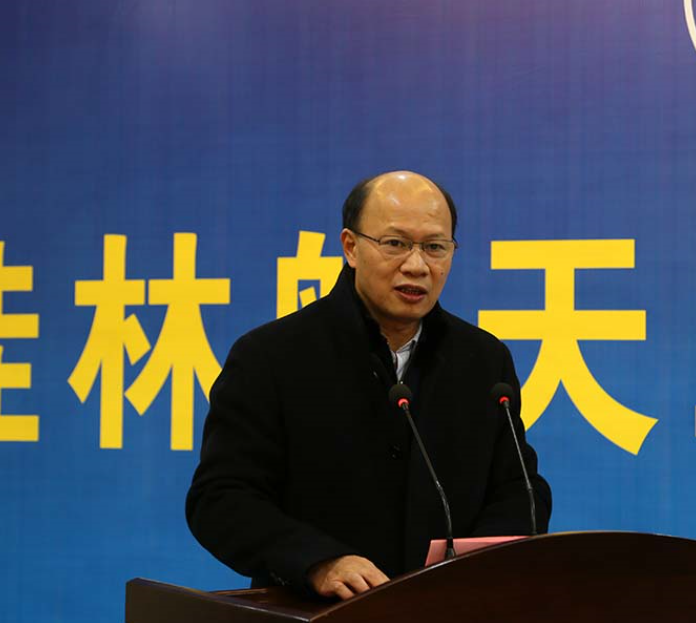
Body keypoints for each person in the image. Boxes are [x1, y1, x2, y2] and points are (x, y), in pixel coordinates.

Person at [186, 171, 552, 600]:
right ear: (350, 247)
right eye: (395, 243)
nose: (417, 266)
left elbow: (520, 490)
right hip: (316, 610)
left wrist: (473, 570)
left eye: (435, 247)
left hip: (449, 608)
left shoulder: (484, 360)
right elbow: (221, 499)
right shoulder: (271, 357)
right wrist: (317, 562)